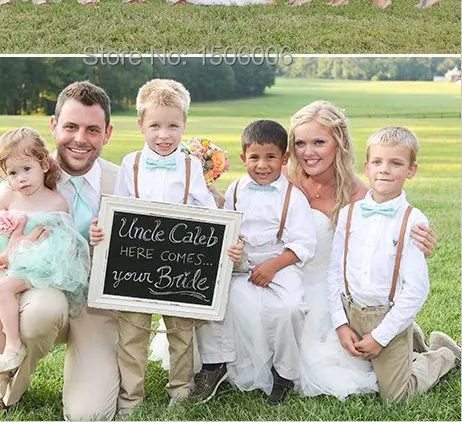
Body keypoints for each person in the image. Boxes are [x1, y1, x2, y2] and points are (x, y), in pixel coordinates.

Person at [0, 81, 120, 421]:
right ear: (54, 126)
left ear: (107, 133)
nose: (80, 138)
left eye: (92, 130)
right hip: (40, 293)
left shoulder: (122, 179)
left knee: (90, 415)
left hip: (94, 306)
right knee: (42, 309)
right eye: (71, 126)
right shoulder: (24, 173)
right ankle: (6, 387)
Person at [288, 101, 438, 400]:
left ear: (339, 143)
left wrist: (422, 242)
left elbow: (386, 242)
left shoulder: (357, 194)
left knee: (362, 371)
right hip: (293, 280)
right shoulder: (281, 178)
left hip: (333, 291)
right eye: (300, 143)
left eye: (319, 142)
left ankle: (420, 346)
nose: (309, 152)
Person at [328, 126, 460, 401]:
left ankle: (444, 354)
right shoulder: (347, 214)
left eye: (395, 163)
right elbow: (334, 273)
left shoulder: (413, 220)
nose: (384, 170)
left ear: (411, 170)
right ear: (366, 166)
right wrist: (341, 324)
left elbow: (416, 289)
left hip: (387, 317)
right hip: (350, 312)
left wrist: (380, 337)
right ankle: (413, 340)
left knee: (395, 396)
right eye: (377, 162)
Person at [110, 78, 216, 419]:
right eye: (155, 125)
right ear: (141, 124)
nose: (164, 134)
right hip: (137, 262)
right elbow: (119, 207)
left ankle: (181, 390)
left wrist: (224, 232)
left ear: (184, 125)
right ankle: (130, 395)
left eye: (173, 125)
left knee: (182, 331)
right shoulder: (131, 163)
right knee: (132, 331)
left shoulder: (190, 166)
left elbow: (206, 208)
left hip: (179, 263)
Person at [191, 120, 316, 405]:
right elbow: (226, 223)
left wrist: (273, 266)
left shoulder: (293, 197)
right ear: (243, 158)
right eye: (255, 157)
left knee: (291, 307)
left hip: (280, 261)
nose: (262, 165)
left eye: (271, 157)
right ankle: (215, 365)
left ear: (284, 159)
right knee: (211, 295)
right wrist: (232, 248)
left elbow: (304, 244)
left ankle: (284, 373)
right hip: (241, 259)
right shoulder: (236, 189)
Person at [0, 128, 89, 402]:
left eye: (27, 168)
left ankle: (13, 347)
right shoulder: (7, 196)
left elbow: (60, 247)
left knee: (3, 292)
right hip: (14, 265)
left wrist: (22, 245)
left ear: (44, 163)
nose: (21, 178)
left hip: (44, 269)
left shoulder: (55, 202)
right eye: (13, 173)